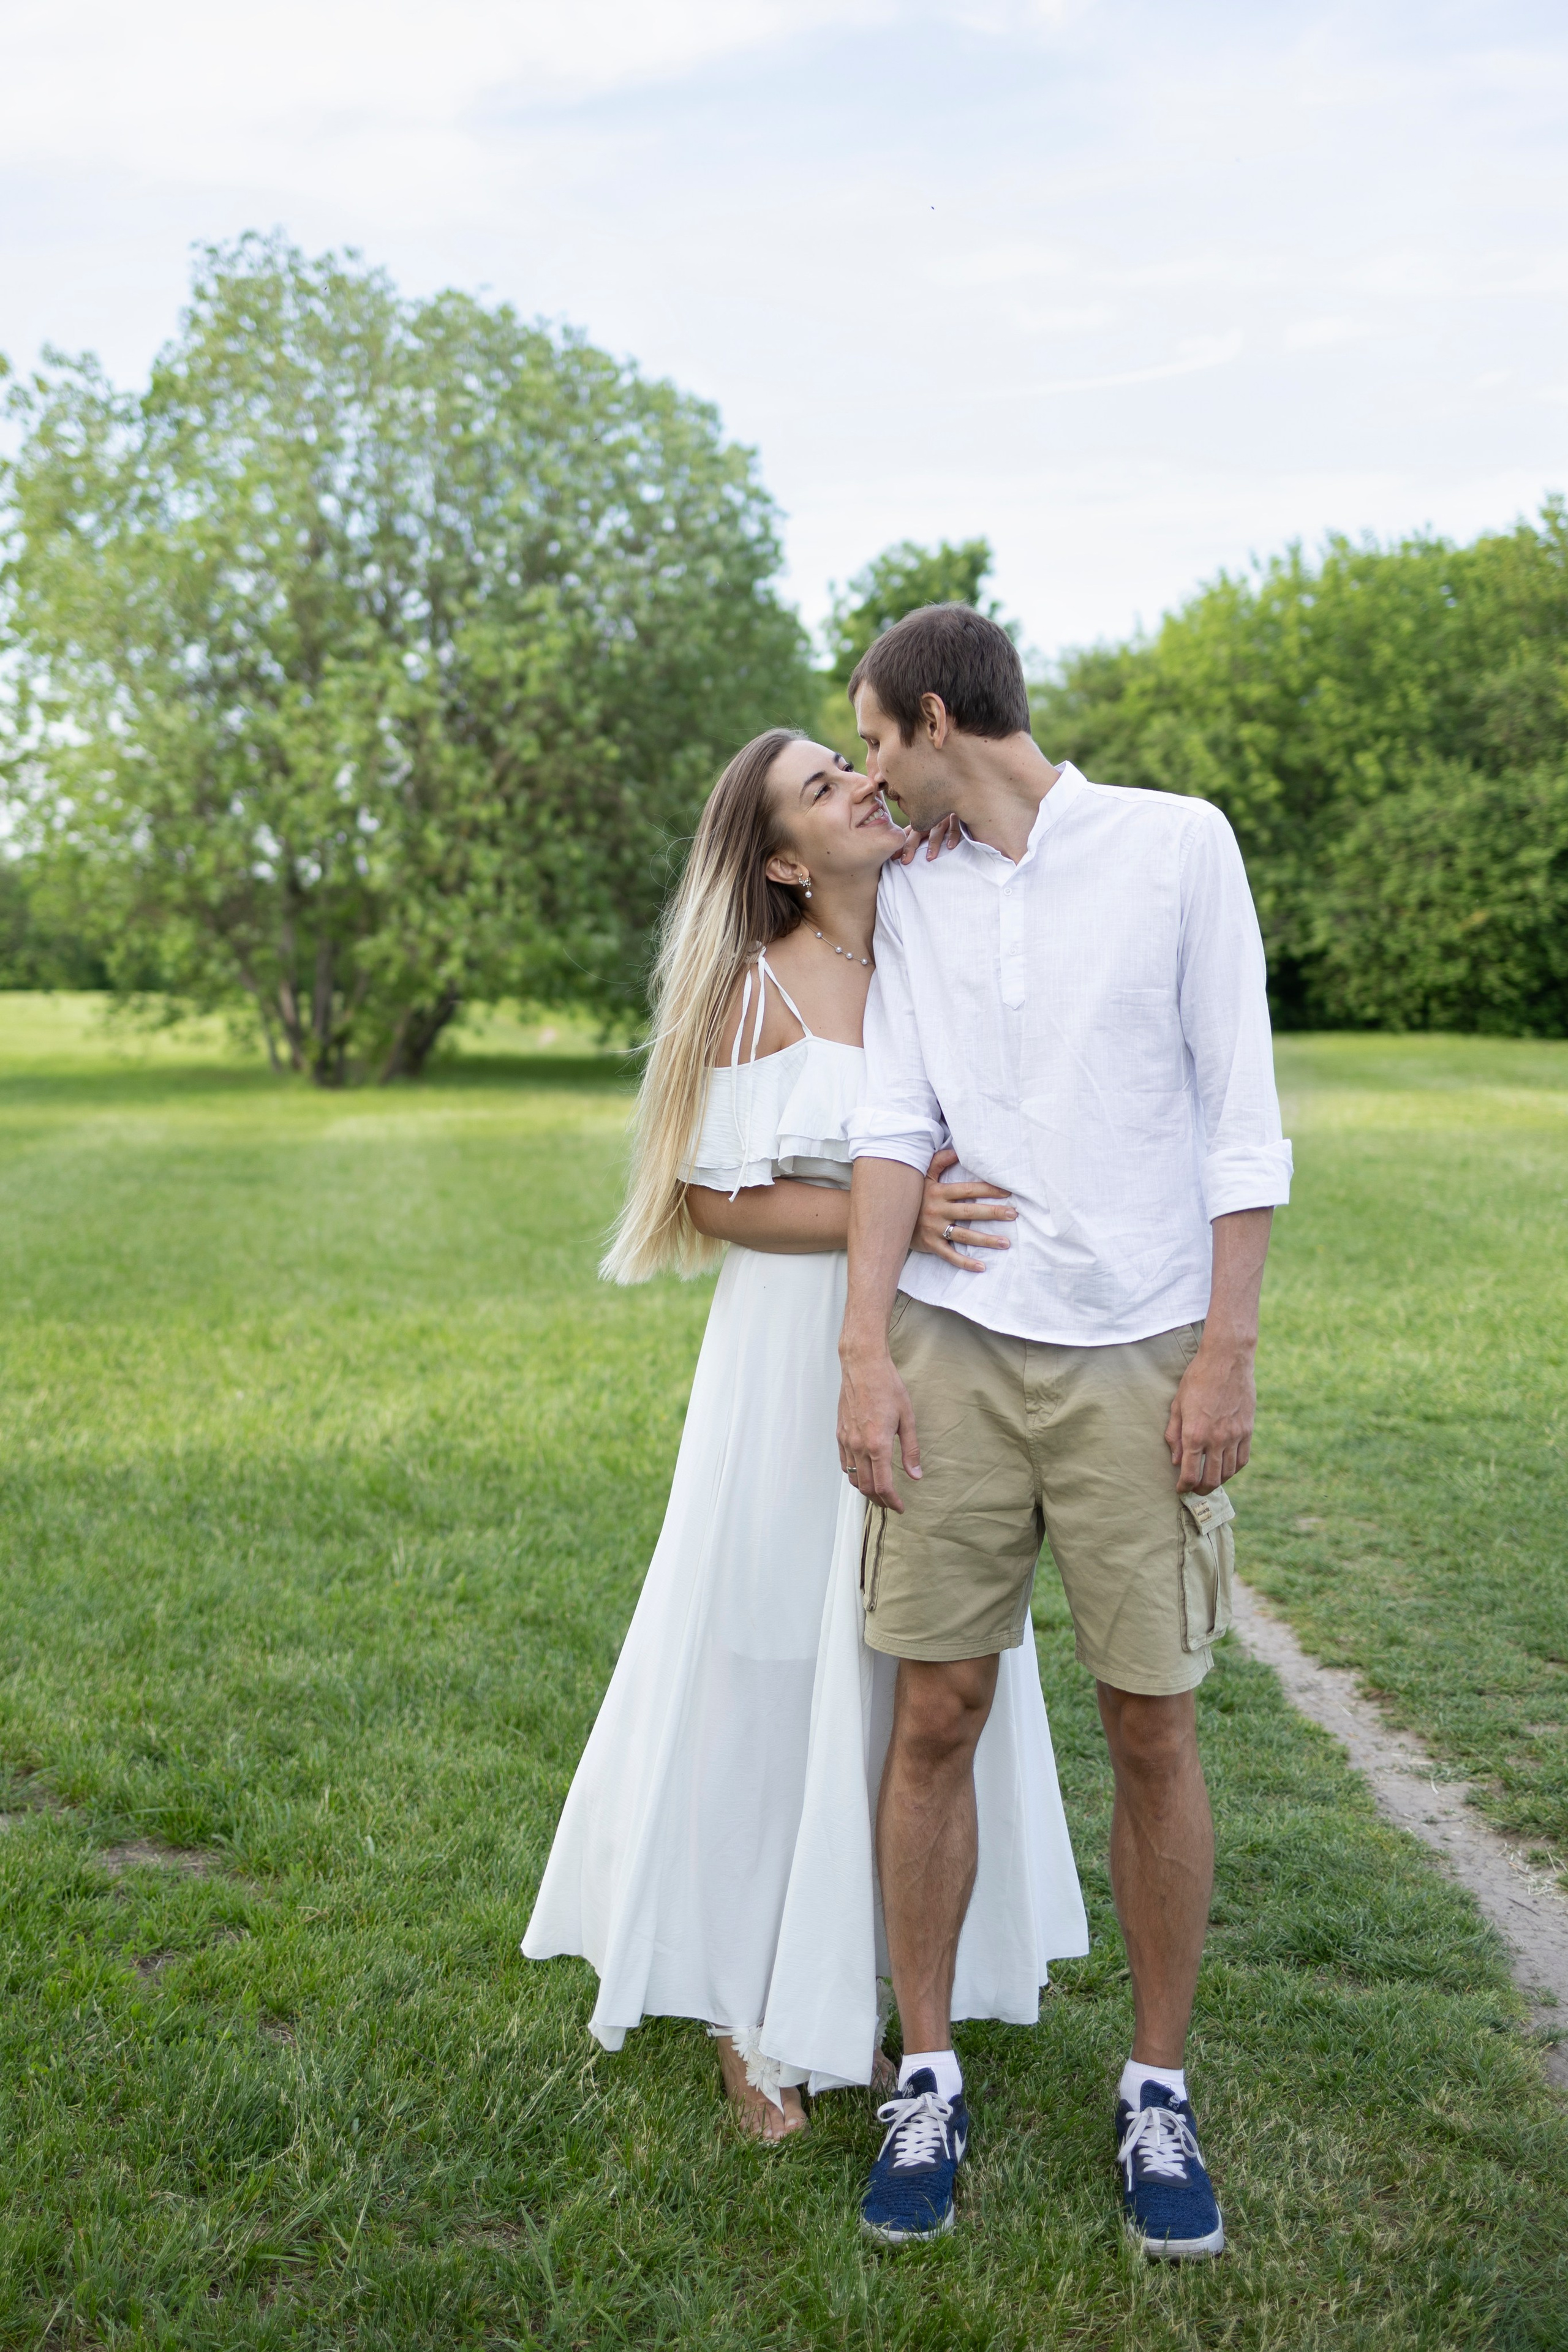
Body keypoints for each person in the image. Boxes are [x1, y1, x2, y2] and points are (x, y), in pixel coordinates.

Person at [522, 727, 1087, 2146]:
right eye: (820, 788)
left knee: (917, 1676)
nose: (858, 785)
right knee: (773, 1664)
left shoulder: (934, 947)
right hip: (789, 1366)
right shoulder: (756, 991)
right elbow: (715, 1199)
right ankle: (742, 2004)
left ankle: (882, 1990)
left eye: (851, 762)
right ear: (781, 861)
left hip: (941, 1353)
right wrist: (889, 1211)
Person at [837, 605, 1293, 2253]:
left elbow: (1241, 1114)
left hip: (1139, 1349)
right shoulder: (914, 893)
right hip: (954, 1347)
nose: (868, 777)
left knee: (1150, 1724)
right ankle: (927, 2077)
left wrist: (1224, 1351)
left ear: (935, 715)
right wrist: (862, 1350)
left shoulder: (1175, 847)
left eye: (874, 741)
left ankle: (1155, 2092)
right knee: (934, 1713)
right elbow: (893, 1119)